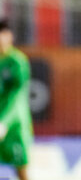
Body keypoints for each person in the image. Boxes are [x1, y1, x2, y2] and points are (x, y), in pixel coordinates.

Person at [0, 20, 33, 180]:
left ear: (9, 36)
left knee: (21, 169)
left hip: (14, 125)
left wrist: (4, 122)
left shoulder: (17, 62)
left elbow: (16, 96)